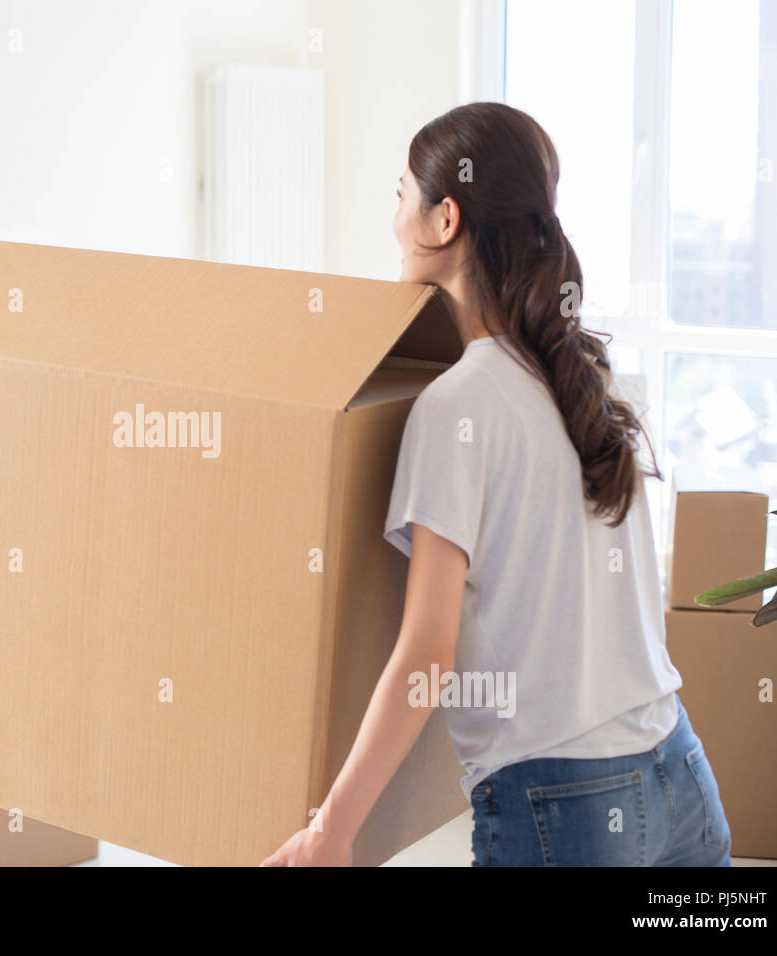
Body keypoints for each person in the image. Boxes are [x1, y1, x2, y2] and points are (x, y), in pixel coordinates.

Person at [262, 102, 731, 867]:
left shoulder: (456, 406)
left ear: (444, 219)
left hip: (565, 805)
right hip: (678, 773)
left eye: (401, 196)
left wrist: (331, 830)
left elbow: (426, 655)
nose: (393, 221)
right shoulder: (583, 374)